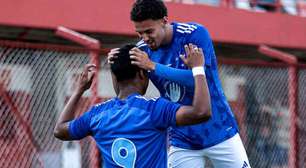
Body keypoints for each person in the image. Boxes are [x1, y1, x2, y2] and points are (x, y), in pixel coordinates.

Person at [108, 0, 250, 167]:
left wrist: (153, 66)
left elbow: (198, 79)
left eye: (149, 31)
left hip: (219, 131)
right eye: (140, 34)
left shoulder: (194, 34)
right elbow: (128, 92)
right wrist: (114, 67)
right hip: (182, 139)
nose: (145, 38)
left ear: (164, 21)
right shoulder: (142, 51)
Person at [54, 44, 211, 167]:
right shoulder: (154, 109)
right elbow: (201, 112)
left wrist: (79, 90)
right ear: (142, 74)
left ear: (114, 77)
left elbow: (60, 130)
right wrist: (198, 69)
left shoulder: (97, 115)